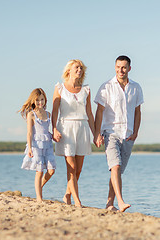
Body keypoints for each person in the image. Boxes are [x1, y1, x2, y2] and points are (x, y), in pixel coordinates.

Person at [93, 55, 144, 212]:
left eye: (123, 67)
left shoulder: (136, 88)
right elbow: (99, 112)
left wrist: (135, 132)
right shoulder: (106, 87)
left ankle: (110, 203)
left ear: (129, 68)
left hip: (128, 135)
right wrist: (97, 133)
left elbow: (137, 112)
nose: (120, 70)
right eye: (117, 67)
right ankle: (121, 202)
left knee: (117, 171)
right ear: (114, 67)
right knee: (115, 166)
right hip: (111, 133)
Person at [52, 59, 95, 207]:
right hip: (66, 128)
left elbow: (89, 113)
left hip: (82, 128)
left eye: (81, 68)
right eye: (77, 67)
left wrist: (95, 133)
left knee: (79, 168)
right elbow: (55, 111)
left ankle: (67, 195)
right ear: (69, 70)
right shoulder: (60, 88)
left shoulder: (86, 90)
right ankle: (77, 201)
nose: (79, 70)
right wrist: (54, 129)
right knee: (71, 167)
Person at [19, 88, 56, 202]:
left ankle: (38, 187)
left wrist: (55, 135)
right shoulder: (31, 114)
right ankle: (39, 198)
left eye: (42, 99)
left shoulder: (48, 114)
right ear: (34, 101)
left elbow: (50, 129)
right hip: (36, 145)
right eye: (38, 100)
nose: (40, 102)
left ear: (45, 100)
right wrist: (29, 148)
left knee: (51, 170)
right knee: (39, 171)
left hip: (48, 144)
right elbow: (30, 132)